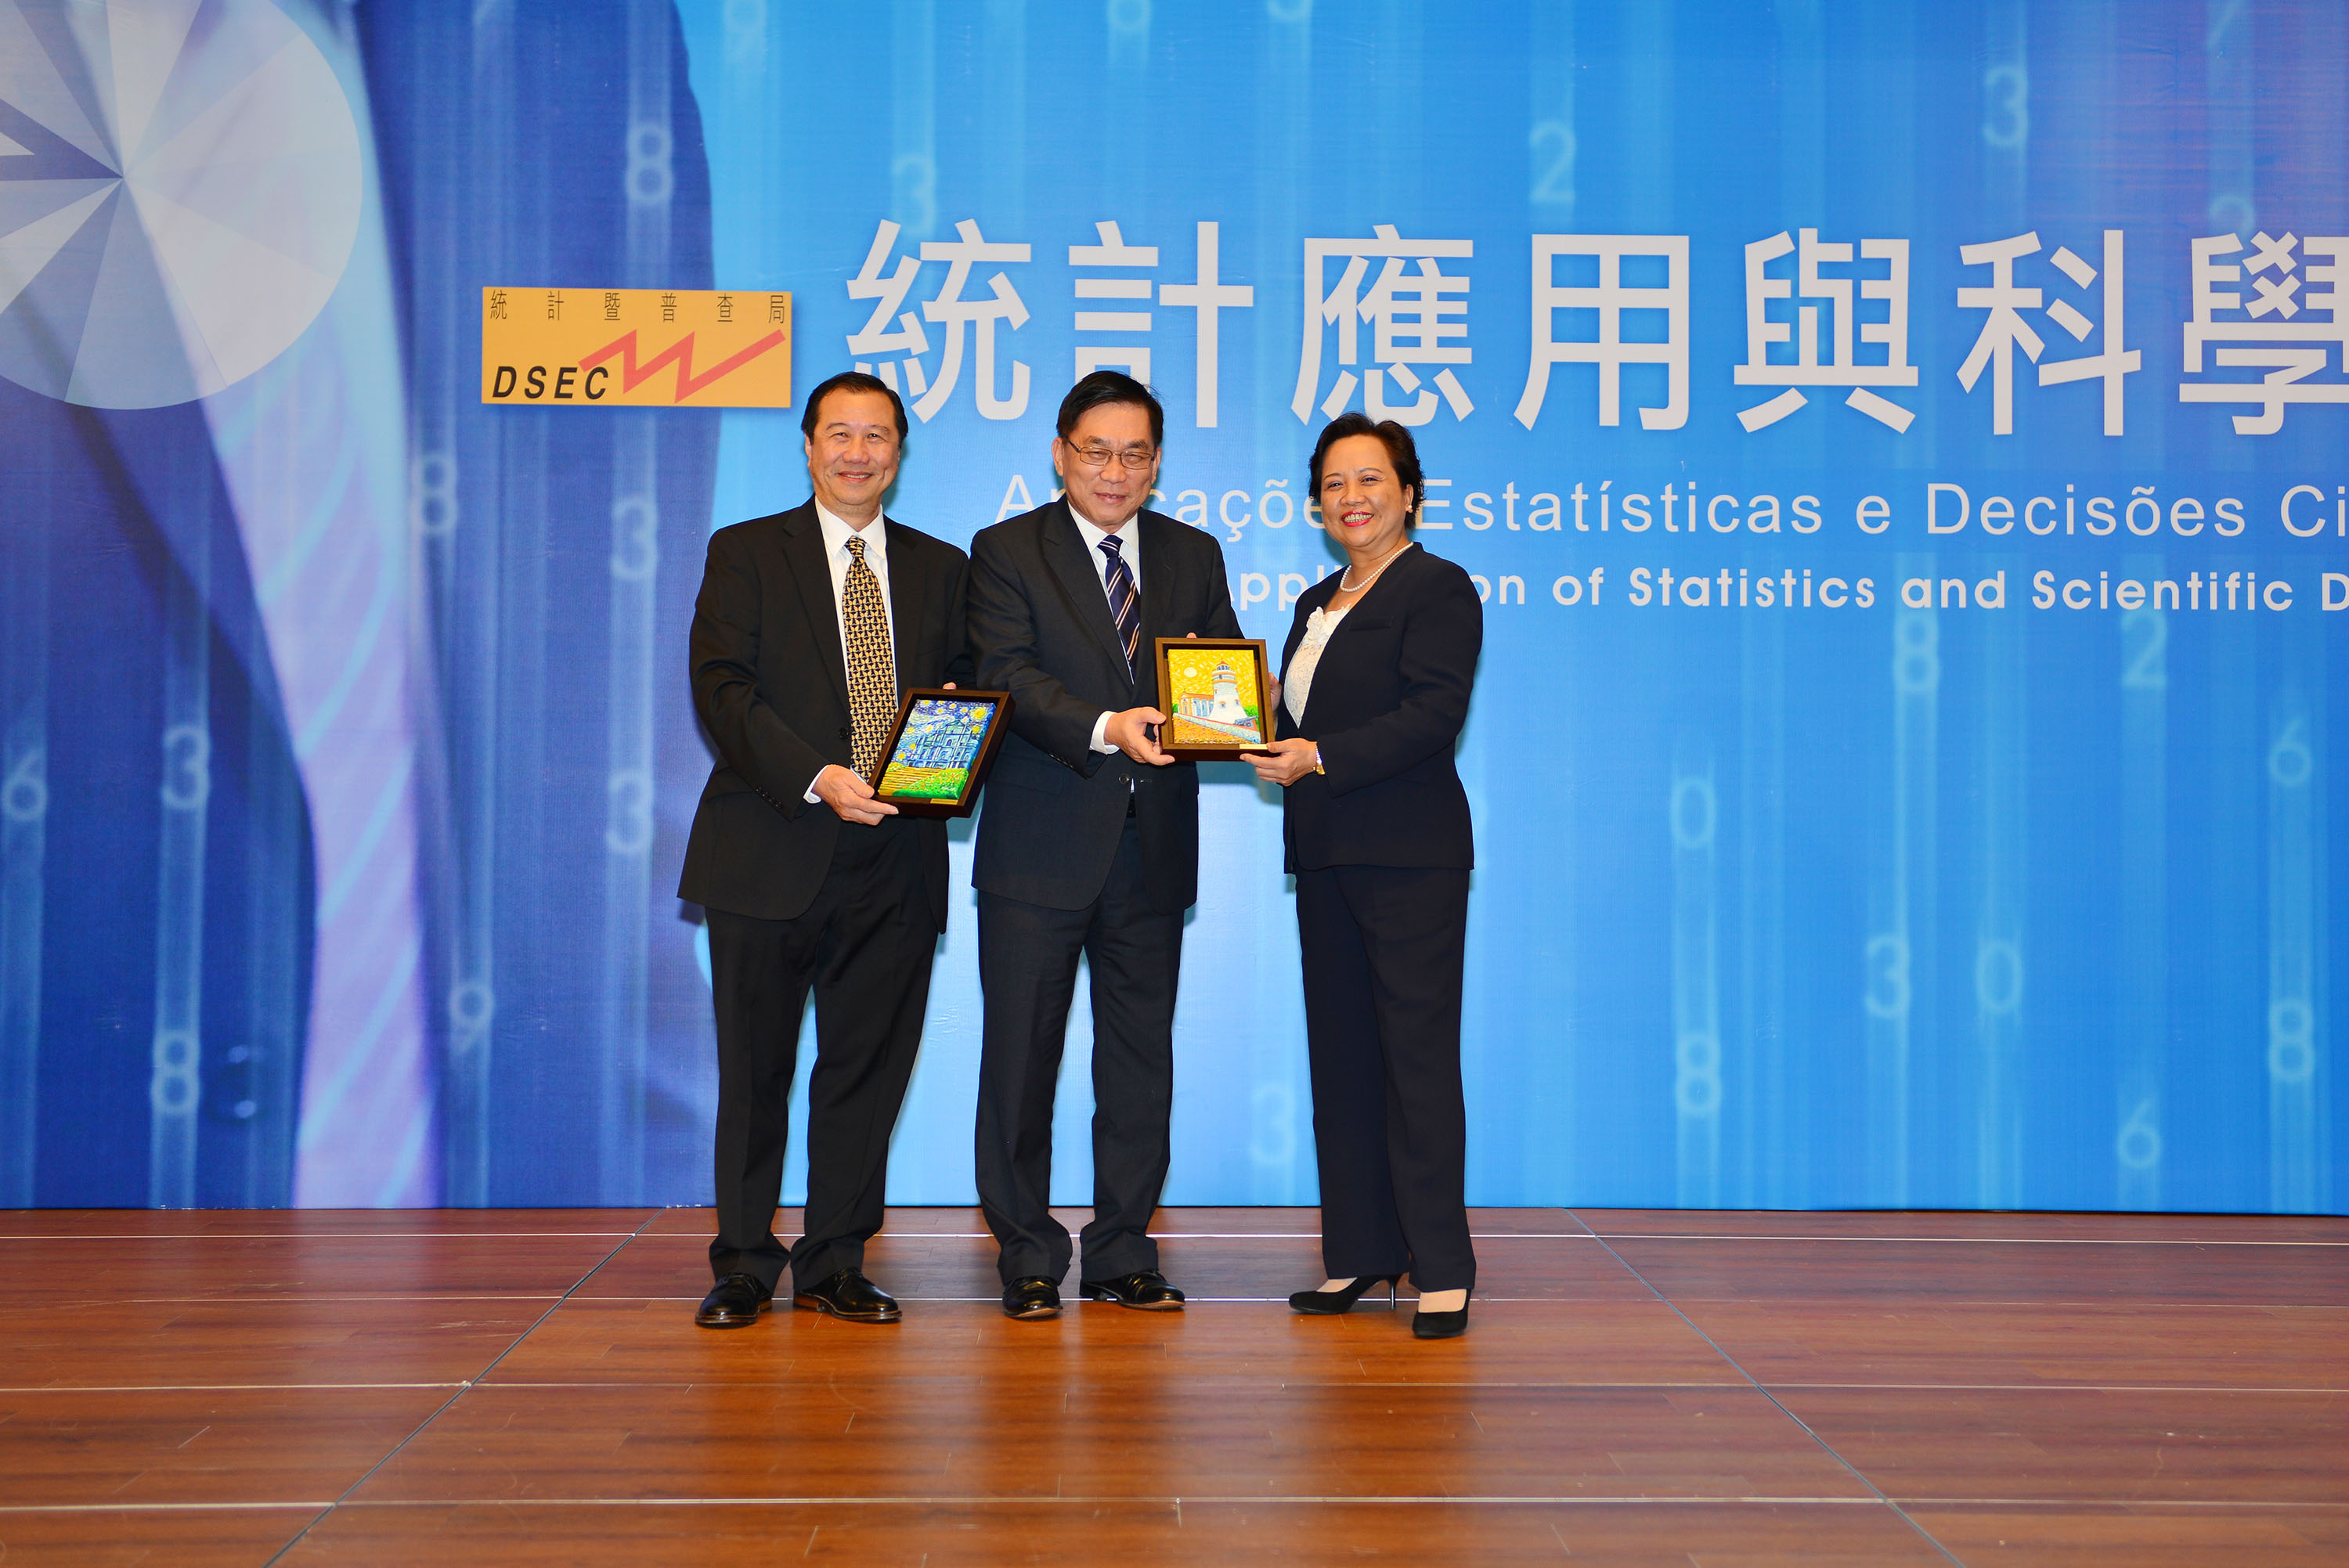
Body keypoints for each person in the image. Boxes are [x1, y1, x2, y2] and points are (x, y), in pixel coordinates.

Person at [679, 371, 972, 1328]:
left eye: (876, 435)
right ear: (807, 446)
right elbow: (723, 689)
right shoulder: (746, 552)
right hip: (771, 845)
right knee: (755, 1071)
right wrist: (819, 775)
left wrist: (952, 738)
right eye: (839, 433)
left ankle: (837, 1259)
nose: (857, 452)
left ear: (900, 453)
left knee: (865, 1072)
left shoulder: (942, 568)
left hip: (897, 856)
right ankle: (743, 1263)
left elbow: (967, 696)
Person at [965, 371, 1243, 1321]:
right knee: (1020, 1060)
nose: (1114, 471)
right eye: (1096, 451)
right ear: (1060, 453)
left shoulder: (1192, 553)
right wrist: (1105, 725)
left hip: (1151, 848)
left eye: (1134, 454)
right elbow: (1006, 673)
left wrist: (1243, 714)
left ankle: (1124, 1249)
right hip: (1039, 846)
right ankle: (1028, 1254)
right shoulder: (1007, 550)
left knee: (1138, 1062)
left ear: (1157, 463)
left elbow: (1219, 678)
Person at [1243, 412, 1482, 1340]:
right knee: (1342, 1055)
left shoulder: (1437, 586)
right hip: (1326, 851)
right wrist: (1252, 713)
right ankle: (1361, 1248)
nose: (1352, 497)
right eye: (1335, 483)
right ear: (1316, 503)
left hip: (1410, 854)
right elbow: (1300, 720)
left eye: (1371, 479)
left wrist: (1321, 755)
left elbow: (1433, 714)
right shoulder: (1315, 601)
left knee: (1415, 1058)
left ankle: (1443, 1266)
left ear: (1409, 493)